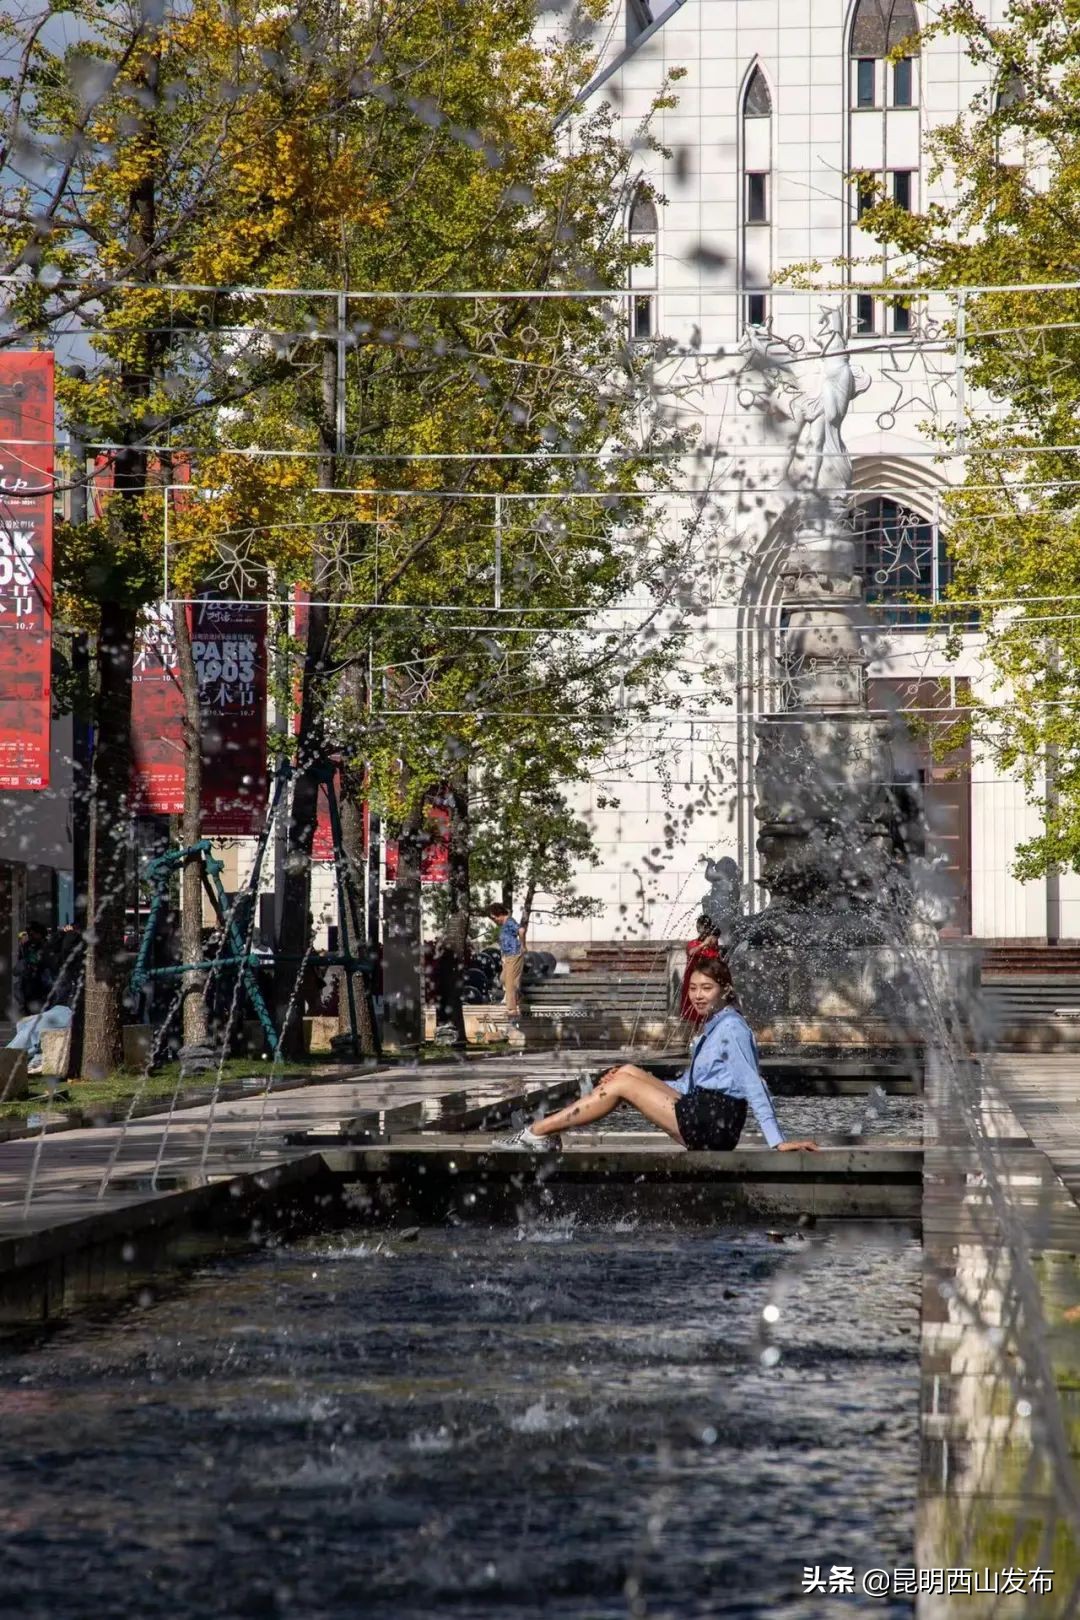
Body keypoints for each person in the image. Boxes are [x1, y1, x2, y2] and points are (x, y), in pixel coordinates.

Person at [496, 956, 818, 1154]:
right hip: (701, 1109)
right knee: (627, 1071)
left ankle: (536, 1132)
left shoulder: (732, 1029)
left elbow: (753, 1084)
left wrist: (777, 1140)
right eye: (693, 988)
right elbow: (688, 1085)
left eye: (706, 988)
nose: (697, 995)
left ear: (725, 990)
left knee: (623, 1085)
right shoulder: (715, 1025)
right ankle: (550, 1134)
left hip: (713, 1126)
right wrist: (634, 1076)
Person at [680, 913, 724, 1024]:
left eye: (704, 928)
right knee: (694, 1015)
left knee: (710, 1014)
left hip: (710, 984)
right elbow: (691, 952)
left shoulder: (714, 948)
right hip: (695, 983)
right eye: (699, 927)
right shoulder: (694, 943)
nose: (701, 930)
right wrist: (703, 944)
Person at [489, 902, 525, 1023]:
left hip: (515, 954)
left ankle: (512, 1011)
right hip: (508, 956)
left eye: (494, 918)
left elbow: (521, 930)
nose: (494, 921)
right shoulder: (504, 925)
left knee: (509, 983)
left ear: (499, 914)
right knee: (503, 979)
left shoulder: (509, 921)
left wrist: (523, 945)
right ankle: (518, 996)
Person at [15, 921, 54, 1016]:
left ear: (40, 934)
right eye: (29, 934)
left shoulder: (46, 946)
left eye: (33, 934)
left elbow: (48, 964)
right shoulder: (26, 946)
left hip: (41, 984)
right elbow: (21, 962)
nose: (31, 936)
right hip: (29, 984)